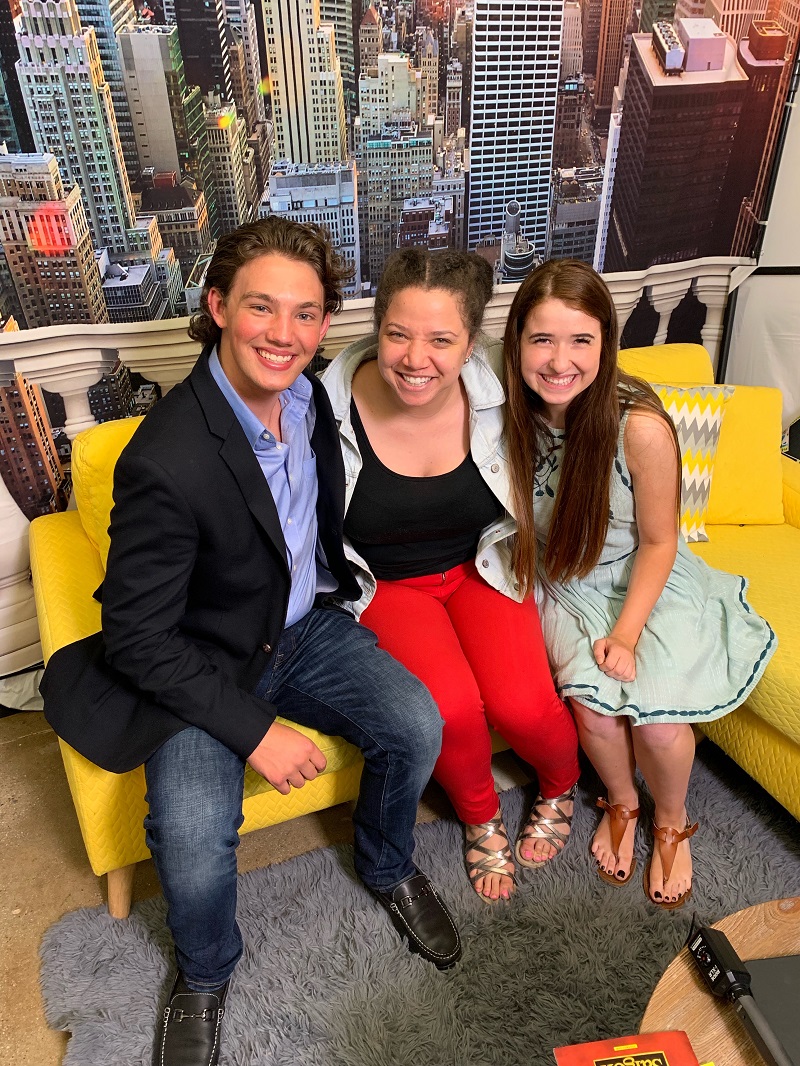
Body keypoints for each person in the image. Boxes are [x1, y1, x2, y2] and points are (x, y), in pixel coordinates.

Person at [41, 219, 462, 1066]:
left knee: (417, 721)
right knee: (193, 844)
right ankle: (203, 973)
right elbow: (136, 636)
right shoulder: (165, 458)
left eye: (306, 314)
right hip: (199, 666)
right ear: (218, 308)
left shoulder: (311, 397)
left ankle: (386, 867)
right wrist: (255, 730)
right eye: (263, 308)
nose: (285, 333)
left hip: (302, 628)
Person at [502, 258, 776, 910]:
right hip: (568, 581)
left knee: (655, 724)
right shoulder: (512, 412)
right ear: (516, 345)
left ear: (606, 342)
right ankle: (622, 802)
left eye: (580, 340)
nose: (559, 360)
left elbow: (660, 542)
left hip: (642, 577)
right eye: (542, 339)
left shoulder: (640, 427)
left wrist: (626, 634)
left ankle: (671, 820)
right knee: (593, 707)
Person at [321, 249, 580, 904]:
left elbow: (586, 380)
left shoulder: (501, 380)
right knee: (451, 711)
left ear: (472, 342)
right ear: (375, 326)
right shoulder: (321, 406)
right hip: (389, 585)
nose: (415, 358)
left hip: (480, 564)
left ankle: (560, 786)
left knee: (524, 706)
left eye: (441, 339)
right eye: (398, 333)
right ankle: (480, 815)